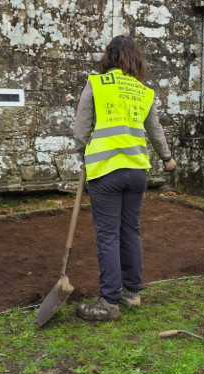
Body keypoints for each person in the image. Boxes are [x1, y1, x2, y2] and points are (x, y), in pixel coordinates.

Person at [72, 35, 176, 321]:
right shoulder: (143, 91)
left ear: (109, 56)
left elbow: (81, 131)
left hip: (106, 171)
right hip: (137, 172)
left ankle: (108, 301)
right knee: (130, 231)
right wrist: (167, 158)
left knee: (108, 235)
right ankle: (131, 292)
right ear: (135, 59)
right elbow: (155, 130)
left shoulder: (96, 84)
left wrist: (84, 154)